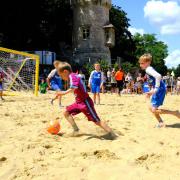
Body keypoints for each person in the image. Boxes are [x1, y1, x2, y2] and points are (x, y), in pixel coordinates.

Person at [54, 62, 117, 140]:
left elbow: (73, 88)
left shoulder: (72, 76)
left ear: (65, 72)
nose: (62, 78)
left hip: (85, 103)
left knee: (97, 121)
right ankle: (76, 130)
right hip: (78, 102)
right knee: (66, 112)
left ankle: (112, 134)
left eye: (61, 75)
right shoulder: (72, 76)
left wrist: (62, 93)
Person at [139, 53, 180, 128]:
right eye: (140, 63)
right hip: (158, 89)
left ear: (148, 62)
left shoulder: (148, 69)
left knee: (153, 109)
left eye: (142, 63)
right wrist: (152, 90)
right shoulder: (148, 69)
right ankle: (161, 122)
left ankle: (175, 113)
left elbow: (158, 76)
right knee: (151, 108)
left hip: (160, 89)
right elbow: (154, 80)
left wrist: (156, 88)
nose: (140, 65)